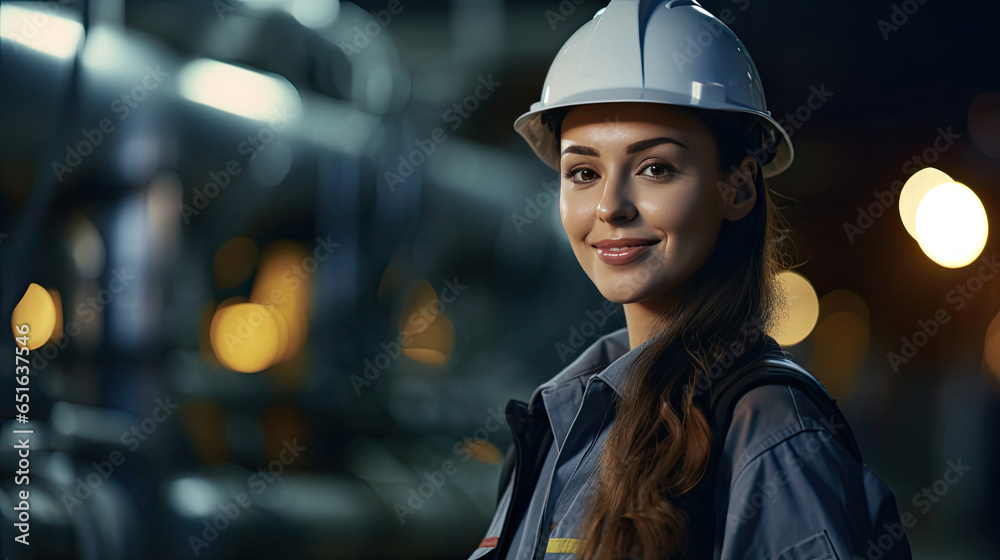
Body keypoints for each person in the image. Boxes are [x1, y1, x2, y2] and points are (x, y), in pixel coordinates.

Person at [467, 1, 913, 559]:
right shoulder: (557, 427)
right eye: (583, 172)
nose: (610, 206)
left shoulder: (770, 438)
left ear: (739, 187)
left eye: (655, 167)